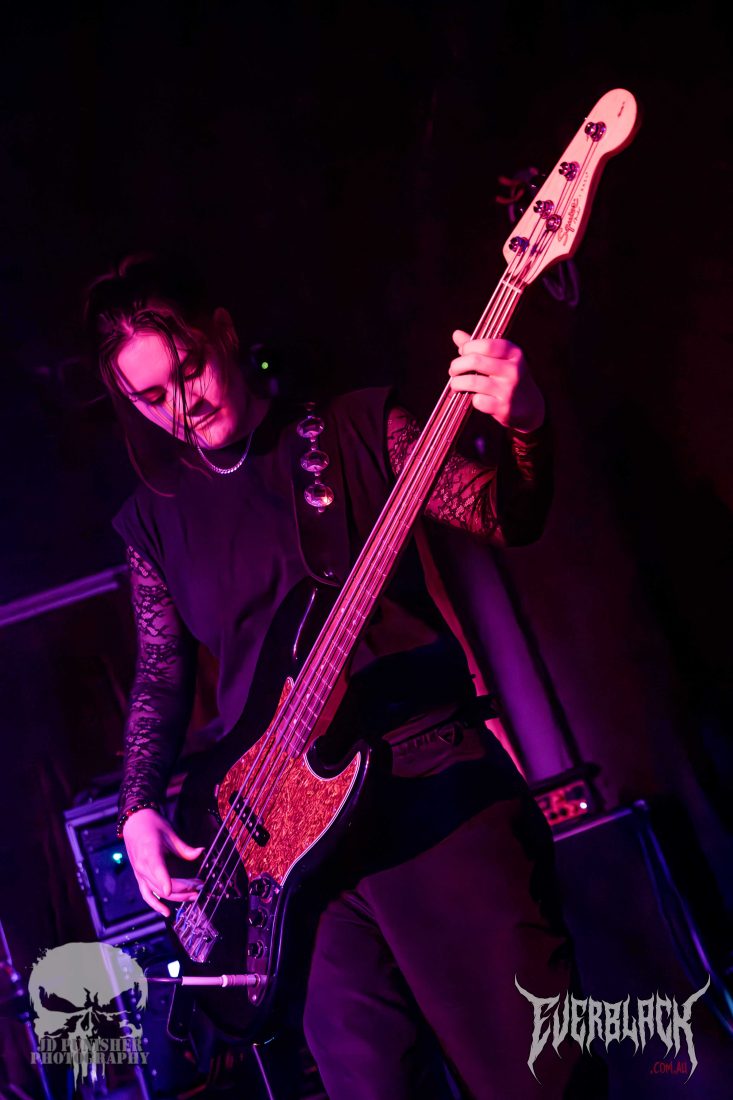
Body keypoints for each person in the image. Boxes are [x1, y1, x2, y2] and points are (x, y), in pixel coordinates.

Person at [85, 255, 593, 1099]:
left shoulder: (356, 426)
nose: (182, 405)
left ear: (223, 332)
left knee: (533, 1075)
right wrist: (136, 809)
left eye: (190, 369)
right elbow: (161, 676)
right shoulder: (153, 520)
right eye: (149, 397)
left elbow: (502, 513)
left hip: (429, 790)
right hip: (291, 851)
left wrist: (526, 425)